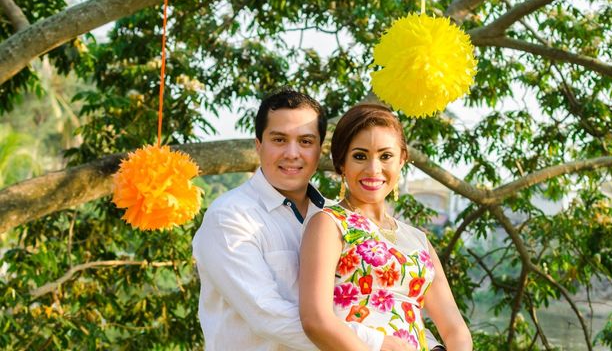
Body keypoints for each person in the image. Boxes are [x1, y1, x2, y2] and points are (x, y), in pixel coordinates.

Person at [193, 89, 439, 350]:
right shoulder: (230, 216)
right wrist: (376, 343)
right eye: (279, 139)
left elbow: (389, 296)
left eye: (306, 141)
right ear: (258, 145)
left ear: (320, 150)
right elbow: (267, 315)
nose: (292, 153)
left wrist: (428, 345)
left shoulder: (340, 220)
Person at [299, 103, 473, 350]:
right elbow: (315, 320)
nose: (373, 169)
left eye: (385, 156)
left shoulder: (418, 239)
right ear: (341, 164)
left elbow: (456, 331)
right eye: (360, 156)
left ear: (402, 159)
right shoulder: (329, 224)